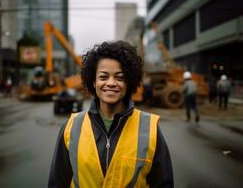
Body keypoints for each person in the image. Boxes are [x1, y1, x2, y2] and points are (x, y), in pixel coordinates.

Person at [48, 41, 174, 187]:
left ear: (129, 82)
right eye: (103, 77)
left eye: (119, 77)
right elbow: (57, 183)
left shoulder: (150, 128)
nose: (111, 83)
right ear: (94, 82)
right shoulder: (71, 127)